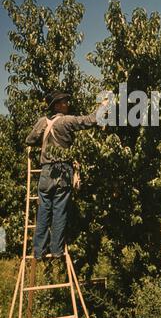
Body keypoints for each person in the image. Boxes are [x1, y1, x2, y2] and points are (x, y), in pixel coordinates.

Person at [25, 90, 108, 260]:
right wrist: (103, 106)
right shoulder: (67, 121)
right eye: (64, 102)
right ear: (56, 105)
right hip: (63, 170)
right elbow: (91, 120)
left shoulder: (43, 122)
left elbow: (29, 140)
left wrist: (44, 143)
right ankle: (56, 251)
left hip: (46, 171)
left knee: (43, 211)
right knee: (59, 211)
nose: (67, 104)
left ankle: (39, 251)